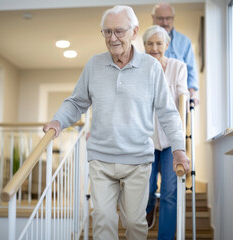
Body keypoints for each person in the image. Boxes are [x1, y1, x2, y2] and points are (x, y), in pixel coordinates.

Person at [43, 5, 190, 240]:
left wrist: (179, 150)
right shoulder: (94, 65)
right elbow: (76, 102)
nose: (113, 38)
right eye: (107, 32)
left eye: (119, 31)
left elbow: (168, 113)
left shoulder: (151, 68)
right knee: (103, 219)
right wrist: (58, 121)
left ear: (134, 32)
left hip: (137, 160)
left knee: (134, 222)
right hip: (101, 158)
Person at [143, 25, 189, 239]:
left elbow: (182, 97)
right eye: (150, 44)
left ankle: (166, 237)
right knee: (146, 189)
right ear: (143, 46)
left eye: (159, 43)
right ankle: (149, 207)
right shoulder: (140, 70)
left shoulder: (178, 67)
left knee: (170, 193)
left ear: (167, 45)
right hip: (146, 141)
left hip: (171, 142)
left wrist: (182, 136)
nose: (154, 48)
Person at [151, 2, 199, 102]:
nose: (165, 22)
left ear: (173, 18)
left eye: (168, 18)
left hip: (178, 100)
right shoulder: (148, 40)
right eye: (160, 18)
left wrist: (191, 94)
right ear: (153, 18)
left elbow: (191, 71)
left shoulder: (185, 42)